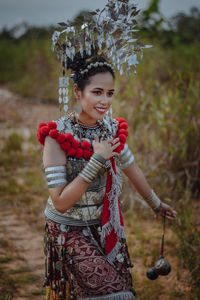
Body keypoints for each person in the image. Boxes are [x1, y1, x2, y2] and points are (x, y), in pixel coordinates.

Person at [36, 2, 177, 299]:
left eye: (110, 93)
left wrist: (155, 204)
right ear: (77, 92)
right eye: (97, 92)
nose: (105, 101)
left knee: (120, 291)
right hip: (69, 230)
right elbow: (60, 202)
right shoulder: (56, 135)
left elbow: (131, 167)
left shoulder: (110, 128)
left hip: (103, 227)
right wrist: (97, 159)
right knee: (116, 295)